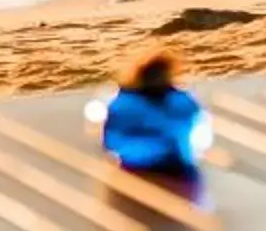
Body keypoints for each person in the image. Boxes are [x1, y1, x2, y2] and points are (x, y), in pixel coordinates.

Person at [86, 47, 215, 172]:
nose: (159, 79)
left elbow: (197, 128)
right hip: (138, 169)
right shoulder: (125, 104)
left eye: (161, 74)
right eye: (156, 74)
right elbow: (112, 141)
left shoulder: (181, 101)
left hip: (177, 167)